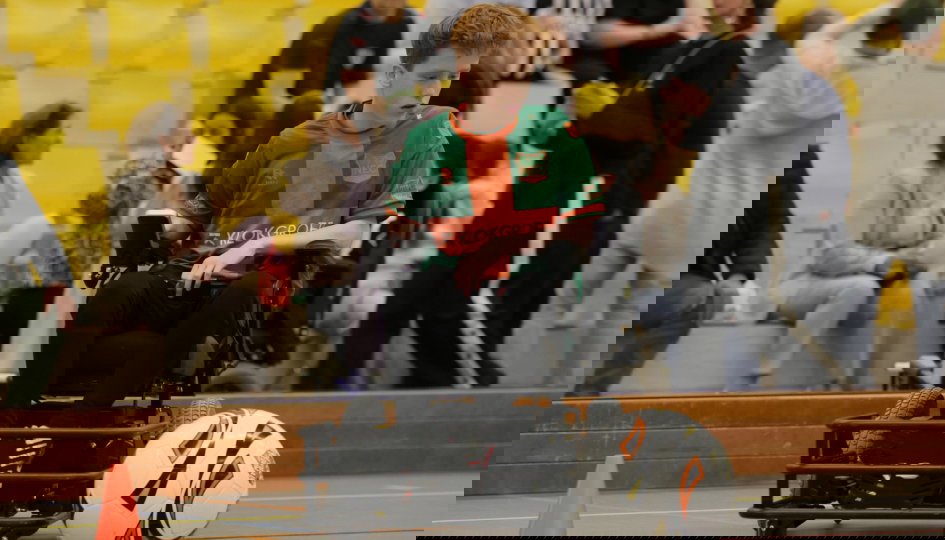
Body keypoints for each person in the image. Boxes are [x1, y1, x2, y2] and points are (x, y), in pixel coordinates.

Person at [306, 5, 603, 389]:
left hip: (521, 242)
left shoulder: (532, 103)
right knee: (420, 326)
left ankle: (456, 409)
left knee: (448, 331)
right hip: (476, 231)